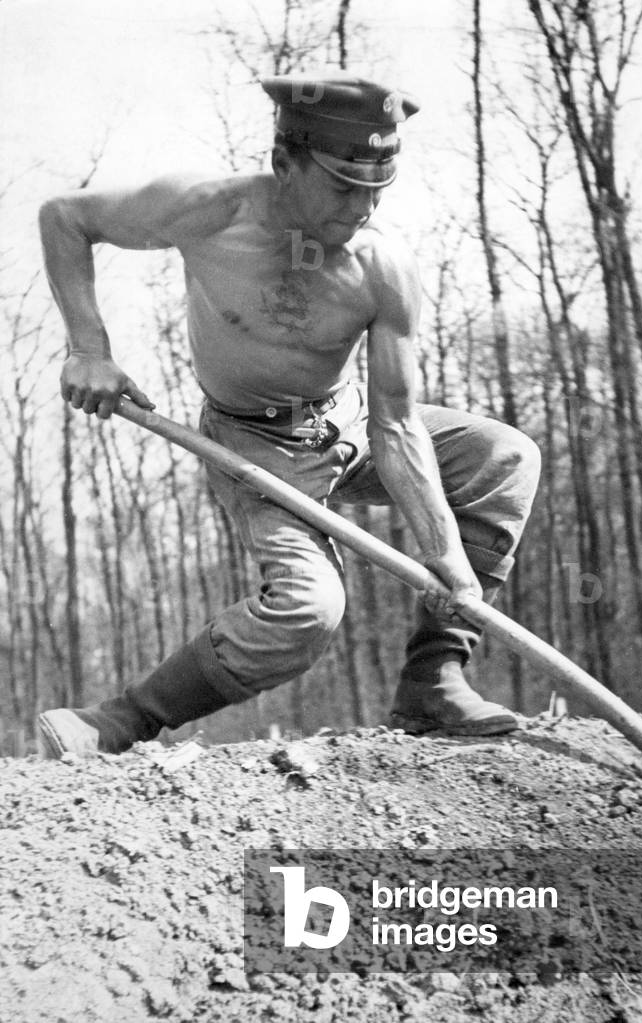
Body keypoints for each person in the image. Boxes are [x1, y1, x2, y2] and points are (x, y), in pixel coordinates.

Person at [36, 73, 541, 758]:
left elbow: (396, 424)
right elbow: (66, 217)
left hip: (352, 424)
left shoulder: (382, 267)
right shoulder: (207, 210)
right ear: (284, 163)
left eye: (375, 188)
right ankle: (119, 719)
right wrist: (89, 348)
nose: (362, 207)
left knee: (504, 456)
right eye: (342, 185)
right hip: (256, 444)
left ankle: (434, 679)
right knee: (307, 612)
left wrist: (445, 552)